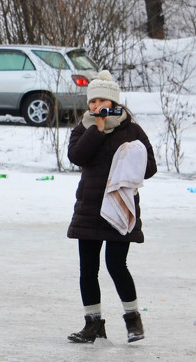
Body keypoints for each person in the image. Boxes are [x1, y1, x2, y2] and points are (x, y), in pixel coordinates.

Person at [66, 70, 156, 344]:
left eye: (101, 101)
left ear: (114, 102)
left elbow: (150, 168)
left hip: (119, 209)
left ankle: (133, 320)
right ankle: (93, 324)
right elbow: (76, 156)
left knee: (116, 264)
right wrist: (98, 130)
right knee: (88, 269)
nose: (96, 107)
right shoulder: (84, 127)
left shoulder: (132, 130)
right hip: (90, 208)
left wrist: (133, 157)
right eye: (92, 102)